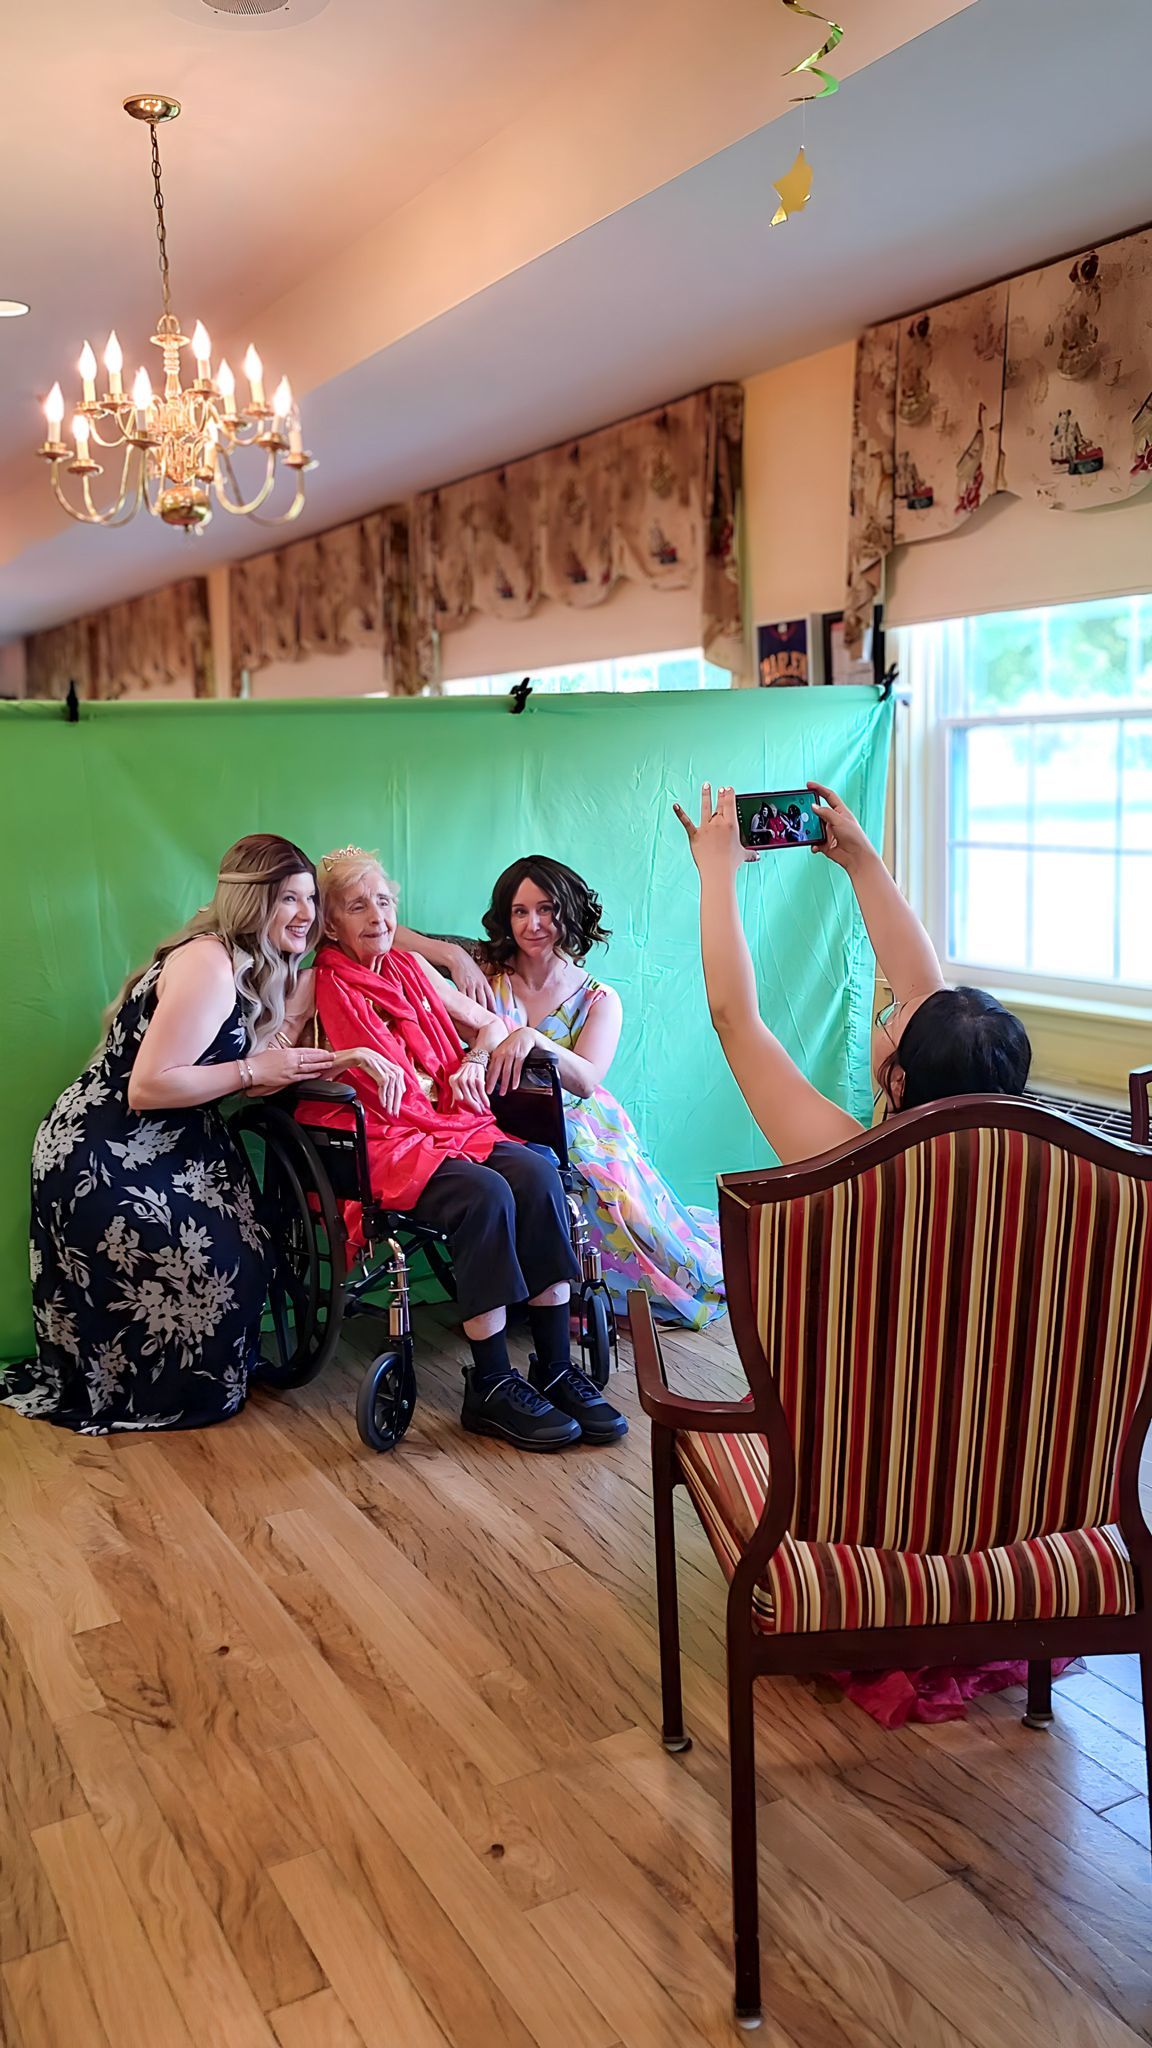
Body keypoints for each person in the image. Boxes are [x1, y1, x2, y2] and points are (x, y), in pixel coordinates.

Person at [2, 834, 337, 1434]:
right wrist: (254, 1069)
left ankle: (191, 1381)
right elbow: (148, 1087)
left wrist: (290, 1043)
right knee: (219, 1261)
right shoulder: (208, 962)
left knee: (250, 1248)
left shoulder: (253, 964)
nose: (308, 914)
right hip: (107, 1144)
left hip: (169, 1140)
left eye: (311, 898)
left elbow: (365, 929)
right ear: (252, 902)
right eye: (289, 899)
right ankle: (148, 1393)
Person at [310, 848, 628, 1452]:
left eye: (384, 902)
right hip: (380, 1137)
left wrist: (475, 1060)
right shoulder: (309, 984)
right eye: (358, 906)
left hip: (448, 1120)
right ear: (331, 923)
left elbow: (489, 1025)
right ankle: (489, 1383)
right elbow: (276, 1060)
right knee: (484, 1194)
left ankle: (555, 1365)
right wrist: (347, 1058)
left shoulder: (411, 969)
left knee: (535, 1170)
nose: (376, 915)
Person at [674, 781, 1031, 1159]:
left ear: (898, 1081)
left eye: (891, 1016)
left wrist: (715, 870)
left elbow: (735, 1020)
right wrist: (860, 859)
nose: (907, 993)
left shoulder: (854, 1164)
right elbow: (924, 990)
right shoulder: (1002, 1165)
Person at [478, 855, 727, 1331]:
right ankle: (535, 1289)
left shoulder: (598, 998)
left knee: (608, 1184)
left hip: (578, 1119)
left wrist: (535, 1039)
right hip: (498, 1116)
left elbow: (587, 1079)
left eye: (546, 909)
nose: (534, 924)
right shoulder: (486, 974)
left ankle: (589, 1293)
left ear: (568, 913)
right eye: (520, 911)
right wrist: (449, 956)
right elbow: (399, 939)